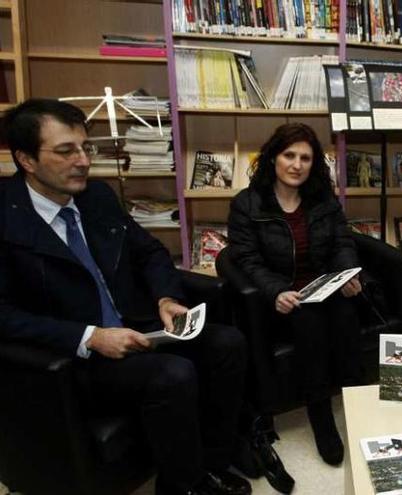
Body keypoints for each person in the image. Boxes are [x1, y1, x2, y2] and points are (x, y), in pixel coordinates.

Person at [0, 99, 250, 495]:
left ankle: (214, 460)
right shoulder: (7, 219)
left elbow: (149, 251)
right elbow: (5, 314)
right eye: (66, 151)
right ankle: (183, 485)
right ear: (26, 160)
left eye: (86, 148)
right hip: (75, 358)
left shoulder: (95, 198)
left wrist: (166, 298)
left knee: (228, 344)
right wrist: (89, 336)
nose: (82, 161)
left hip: (137, 326)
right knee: (173, 374)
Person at [227, 123, 362, 466]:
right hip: (281, 299)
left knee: (347, 313)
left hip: (323, 286)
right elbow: (246, 260)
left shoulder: (323, 198)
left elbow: (343, 242)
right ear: (273, 157)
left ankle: (358, 404)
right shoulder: (247, 203)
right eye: (289, 155)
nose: (297, 164)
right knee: (310, 320)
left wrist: (346, 273)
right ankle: (321, 415)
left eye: (305, 157)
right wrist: (276, 291)